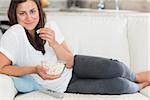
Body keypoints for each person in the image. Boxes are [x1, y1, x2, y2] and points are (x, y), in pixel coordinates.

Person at [0, 0, 150, 97]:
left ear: (39, 11)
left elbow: (70, 62)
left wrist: (54, 43)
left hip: (76, 66)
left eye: (32, 11)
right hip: (64, 85)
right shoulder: (14, 34)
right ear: (15, 15)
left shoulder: (50, 26)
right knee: (119, 86)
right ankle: (139, 85)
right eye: (22, 13)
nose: (29, 18)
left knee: (115, 67)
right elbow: (1, 67)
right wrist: (33, 70)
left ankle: (137, 76)